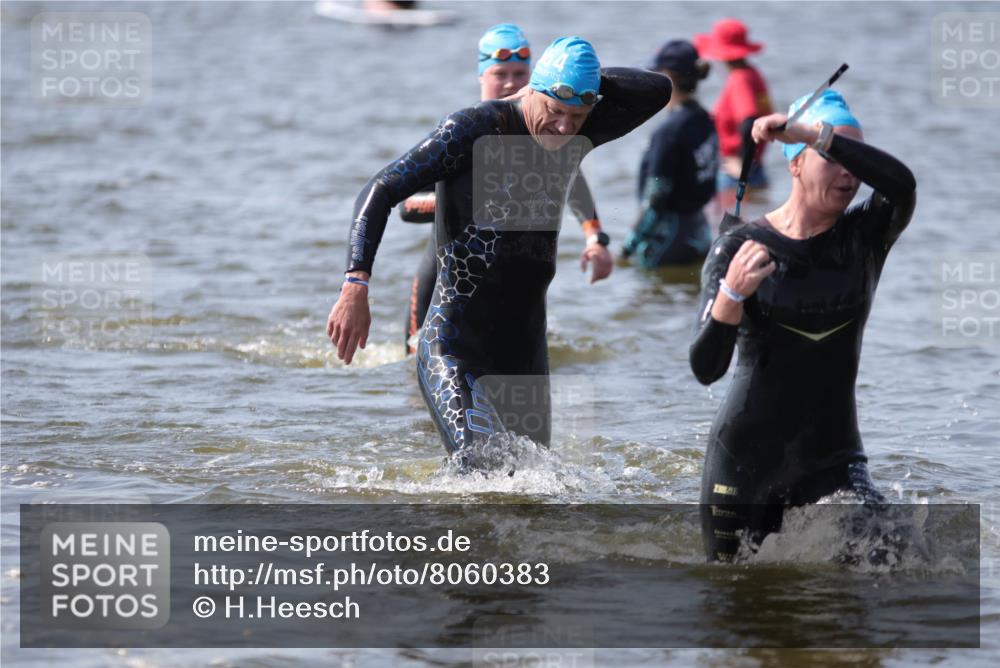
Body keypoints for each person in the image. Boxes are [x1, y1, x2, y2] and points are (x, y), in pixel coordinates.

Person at [328, 37, 671, 461]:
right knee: (481, 467)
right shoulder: (475, 128)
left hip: (524, 353)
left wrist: (573, 78)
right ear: (535, 93)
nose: (564, 128)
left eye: (578, 116)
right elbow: (381, 190)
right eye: (555, 111)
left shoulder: (576, 135)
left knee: (533, 490)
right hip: (455, 347)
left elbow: (657, 90)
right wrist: (355, 285)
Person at [688, 90, 916, 562]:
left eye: (850, 155)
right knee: (733, 603)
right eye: (830, 158)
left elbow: (902, 184)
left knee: (896, 562)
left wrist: (817, 135)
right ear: (794, 164)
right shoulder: (739, 248)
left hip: (833, 460)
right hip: (745, 462)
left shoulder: (866, 238)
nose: (848, 172)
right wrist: (730, 298)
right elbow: (705, 367)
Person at [401, 24, 603, 354]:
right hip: (445, 274)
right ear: (482, 76)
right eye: (500, 73)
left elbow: (573, 183)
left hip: (506, 281)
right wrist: (465, 202)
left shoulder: (544, 133)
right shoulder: (460, 132)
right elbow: (406, 206)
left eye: (520, 73)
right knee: (416, 372)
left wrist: (595, 237)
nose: (510, 82)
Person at [623, 40, 718, 268]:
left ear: (668, 77)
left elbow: (655, 200)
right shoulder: (705, 119)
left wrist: (627, 250)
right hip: (701, 234)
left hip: (667, 242)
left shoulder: (667, 133)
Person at [694, 18, 773, 212]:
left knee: (729, 232)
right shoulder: (753, 74)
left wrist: (741, 164)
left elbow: (749, 122)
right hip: (755, 168)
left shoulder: (739, 80)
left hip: (735, 173)